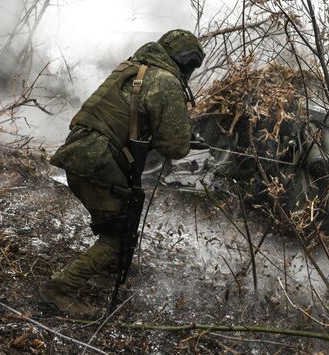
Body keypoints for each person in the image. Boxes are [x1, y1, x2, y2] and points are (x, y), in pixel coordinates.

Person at [38, 29, 205, 318]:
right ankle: (59, 291)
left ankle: (109, 268)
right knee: (118, 237)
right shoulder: (164, 82)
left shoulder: (130, 68)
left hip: (82, 154)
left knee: (117, 221)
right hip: (98, 162)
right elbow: (175, 147)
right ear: (184, 61)